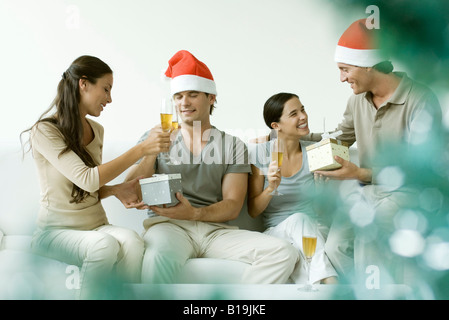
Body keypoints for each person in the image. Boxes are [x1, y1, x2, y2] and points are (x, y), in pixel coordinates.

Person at [125, 50, 298, 284]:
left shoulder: (232, 145)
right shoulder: (153, 137)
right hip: (168, 227)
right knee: (156, 258)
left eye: (193, 94)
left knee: (283, 252)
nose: (184, 102)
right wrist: (151, 151)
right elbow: (131, 190)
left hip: (215, 231)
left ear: (211, 98)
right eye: (178, 96)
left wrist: (195, 213)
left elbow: (233, 206)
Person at [20, 55, 171, 299]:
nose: (110, 99)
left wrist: (113, 190)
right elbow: (87, 178)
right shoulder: (45, 131)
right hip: (54, 232)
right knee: (105, 245)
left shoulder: (96, 131)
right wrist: (142, 149)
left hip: (95, 225)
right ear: (84, 84)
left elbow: (86, 187)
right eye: (106, 89)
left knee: (132, 242)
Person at [303, 19, 443, 282]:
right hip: (367, 193)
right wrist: (295, 138)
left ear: (368, 64)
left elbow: (417, 172)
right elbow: (340, 137)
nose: (341, 78)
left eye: (345, 69)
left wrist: (358, 172)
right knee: (335, 248)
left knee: (370, 233)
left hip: (407, 195)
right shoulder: (356, 100)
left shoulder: (420, 100)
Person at [247, 92, 338, 285]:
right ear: (276, 126)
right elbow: (254, 211)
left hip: (314, 231)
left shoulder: (315, 152)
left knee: (302, 239)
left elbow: (322, 212)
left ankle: (320, 288)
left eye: (303, 110)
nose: (303, 116)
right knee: (298, 220)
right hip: (277, 232)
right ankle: (331, 283)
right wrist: (271, 187)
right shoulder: (261, 154)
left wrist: (321, 193)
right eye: (294, 113)